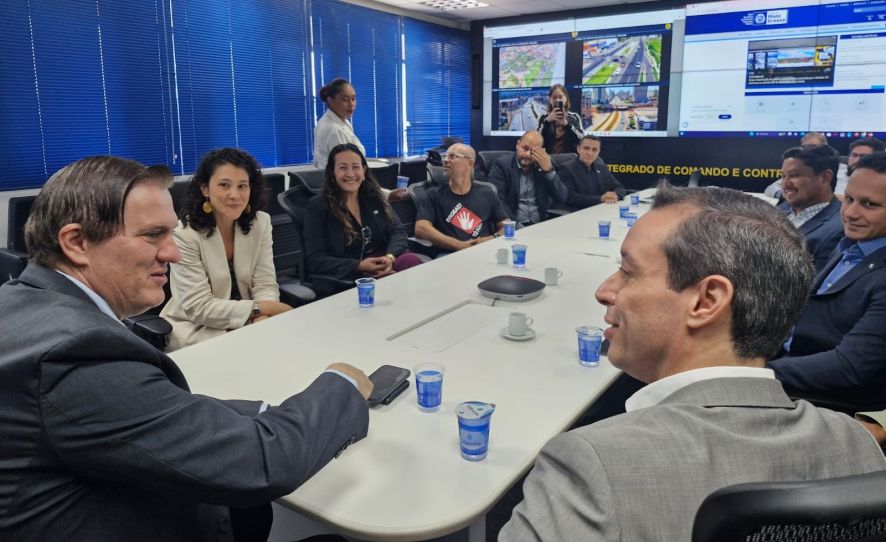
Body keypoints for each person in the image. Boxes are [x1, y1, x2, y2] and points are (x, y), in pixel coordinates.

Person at [0, 156, 373, 541]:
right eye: (153, 235)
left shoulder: (25, 303)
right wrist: (340, 385)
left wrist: (265, 411)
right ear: (77, 243)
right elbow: (258, 463)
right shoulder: (77, 353)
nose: (173, 253)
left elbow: (147, 408)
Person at [499, 182, 886, 541]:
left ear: (707, 301)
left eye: (628, 272)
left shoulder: (591, 464)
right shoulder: (856, 443)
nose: (605, 290)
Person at [769, 151, 886, 412]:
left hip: (826, 402)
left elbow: (849, 368)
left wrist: (757, 372)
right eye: (849, 200)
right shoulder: (848, 245)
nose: (850, 213)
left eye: (869, 205)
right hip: (790, 372)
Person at [160, 148, 292, 351]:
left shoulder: (260, 223)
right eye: (224, 185)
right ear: (205, 189)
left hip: (250, 322)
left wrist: (261, 320)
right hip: (197, 329)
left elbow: (264, 283)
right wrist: (262, 309)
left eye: (242, 186)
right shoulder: (184, 235)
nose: (235, 195)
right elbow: (198, 306)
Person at [303, 143, 423, 282]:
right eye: (343, 168)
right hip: (350, 275)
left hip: (384, 262)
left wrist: (389, 257)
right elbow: (315, 259)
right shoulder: (318, 206)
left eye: (356, 167)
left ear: (364, 171)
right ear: (332, 173)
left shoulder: (373, 197)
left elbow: (398, 231)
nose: (350, 174)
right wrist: (359, 266)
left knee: (410, 259)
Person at [414, 143, 510, 253]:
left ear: (470, 163)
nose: (445, 160)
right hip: (450, 254)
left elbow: (507, 226)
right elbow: (421, 228)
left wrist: (490, 239)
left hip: (484, 250)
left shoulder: (487, 193)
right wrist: (458, 245)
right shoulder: (433, 195)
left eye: (452, 156)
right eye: (444, 156)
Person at [777, 145, 844, 273]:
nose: (785, 184)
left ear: (825, 177)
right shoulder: (782, 208)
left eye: (794, 175)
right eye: (783, 176)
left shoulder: (839, 230)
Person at [487, 130, 567, 226]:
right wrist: (514, 224)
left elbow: (562, 197)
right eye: (525, 148)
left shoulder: (545, 165)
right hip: (514, 224)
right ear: (517, 144)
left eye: (533, 151)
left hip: (540, 224)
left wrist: (549, 171)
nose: (527, 155)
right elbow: (497, 201)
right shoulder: (502, 165)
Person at [765, 131, 851, 199]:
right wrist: (785, 194)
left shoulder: (843, 170)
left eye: (814, 148)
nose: (810, 152)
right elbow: (770, 188)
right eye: (806, 149)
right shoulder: (799, 170)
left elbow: (843, 195)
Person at [556, 134, 626, 210]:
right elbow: (569, 197)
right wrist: (601, 199)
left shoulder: (602, 168)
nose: (590, 153)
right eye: (586, 148)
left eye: (594, 150)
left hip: (602, 209)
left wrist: (615, 195)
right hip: (579, 212)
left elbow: (619, 187)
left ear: (599, 152)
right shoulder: (566, 168)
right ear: (578, 149)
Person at [313, 78, 364, 170]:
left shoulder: (339, 121)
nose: (351, 104)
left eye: (353, 99)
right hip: (339, 177)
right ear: (331, 101)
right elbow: (347, 167)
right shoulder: (334, 130)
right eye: (345, 99)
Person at [535, 83, 584, 155]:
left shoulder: (574, 117)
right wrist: (547, 122)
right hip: (548, 158)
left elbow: (581, 139)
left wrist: (567, 125)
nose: (557, 100)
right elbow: (536, 140)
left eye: (560, 97)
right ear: (550, 99)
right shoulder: (543, 118)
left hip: (570, 158)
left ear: (566, 98)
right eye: (554, 97)